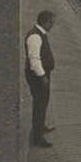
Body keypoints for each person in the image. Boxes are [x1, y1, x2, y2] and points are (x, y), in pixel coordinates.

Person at [25, 10, 57, 147]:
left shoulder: (40, 34)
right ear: (45, 22)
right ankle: (37, 137)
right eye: (51, 22)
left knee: (43, 102)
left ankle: (40, 125)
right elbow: (34, 59)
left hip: (42, 74)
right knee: (39, 103)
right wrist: (42, 76)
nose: (52, 25)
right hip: (38, 76)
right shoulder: (35, 37)